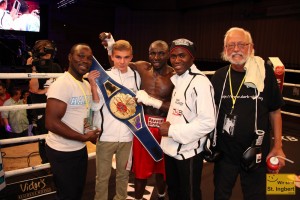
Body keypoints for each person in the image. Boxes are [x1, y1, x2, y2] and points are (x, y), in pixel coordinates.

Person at [211, 27, 286, 200]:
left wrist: (278, 146)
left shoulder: (264, 74)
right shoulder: (219, 76)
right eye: (230, 45)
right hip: (225, 154)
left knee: (256, 196)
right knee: (220, 195)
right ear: (225, 50)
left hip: (256, 152)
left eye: (241, 44)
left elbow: (275, 111)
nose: (236, 49)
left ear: (251, 48)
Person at [99, 32, 174, 200]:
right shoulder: (142, 67)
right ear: (148, 54)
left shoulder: (175, 75)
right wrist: (111, 43)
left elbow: (178, 107)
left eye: (161, 53)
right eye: (153, 53)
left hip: (164, 126)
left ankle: (161, 196)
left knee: (162, 170)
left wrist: (151, 101)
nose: (156, 57)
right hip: (142, 125)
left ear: (168, 54)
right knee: (140, 171)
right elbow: (120, 60)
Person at [159, 38, 216, 200]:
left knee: (189, 194)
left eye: (182, 55)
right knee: (174, 192)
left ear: (192, 58)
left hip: (188, 152)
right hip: (171, 148)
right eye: (173, 56)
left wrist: (171, 130)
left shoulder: (200, 82)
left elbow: (208, 122)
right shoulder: (179, 78)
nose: (177, 60)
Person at [45, 43, 100, 200]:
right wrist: (84, 137)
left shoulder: (85, 84)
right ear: (70, 57)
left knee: (76, 193)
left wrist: (90, 132)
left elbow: (85, 114)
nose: (85, 61)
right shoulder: (62, 84)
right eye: (80, 56)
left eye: (89, 58)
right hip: (61, 151)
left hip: (79, 149)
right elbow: (51, 122)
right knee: (67, 195)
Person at [90, 39, 141, 200]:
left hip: (127, 136)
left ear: (131, 57)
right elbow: (95, 107)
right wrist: (92, 85)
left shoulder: (136, 77)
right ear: (112, 56)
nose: (122, 61)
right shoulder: (104, 76)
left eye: (126, 57)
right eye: (118, 57)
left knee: (123, 176)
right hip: (106, 136)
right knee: (102, 178)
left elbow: (137, 106)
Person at [27, 40, 62, 164]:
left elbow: (61, 85)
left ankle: (57, 162)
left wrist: (44, 90)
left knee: (58, 136)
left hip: (56, 107)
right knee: (43, 138)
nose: (46, 54)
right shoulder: (34, 66)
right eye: (43, 51)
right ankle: (46, 164)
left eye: (48, 50)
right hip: (41, 110)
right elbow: (33, 89)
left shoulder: (56, 67)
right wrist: (33, 69)